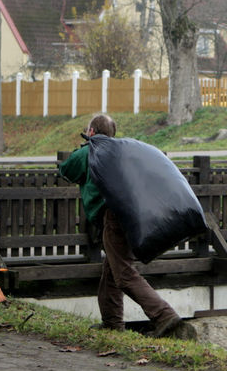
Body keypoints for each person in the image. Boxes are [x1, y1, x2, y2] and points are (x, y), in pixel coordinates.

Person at [59, 113, 181, 335]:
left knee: (124, 274)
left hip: (112, 216)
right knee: (111, 271)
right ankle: (112, 323)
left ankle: (164, 315)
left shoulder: (90, 151)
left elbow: (66, 169)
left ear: (92, 132)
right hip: (132, 215)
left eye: (89, 131)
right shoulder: (122, 150)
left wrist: (86, 144)